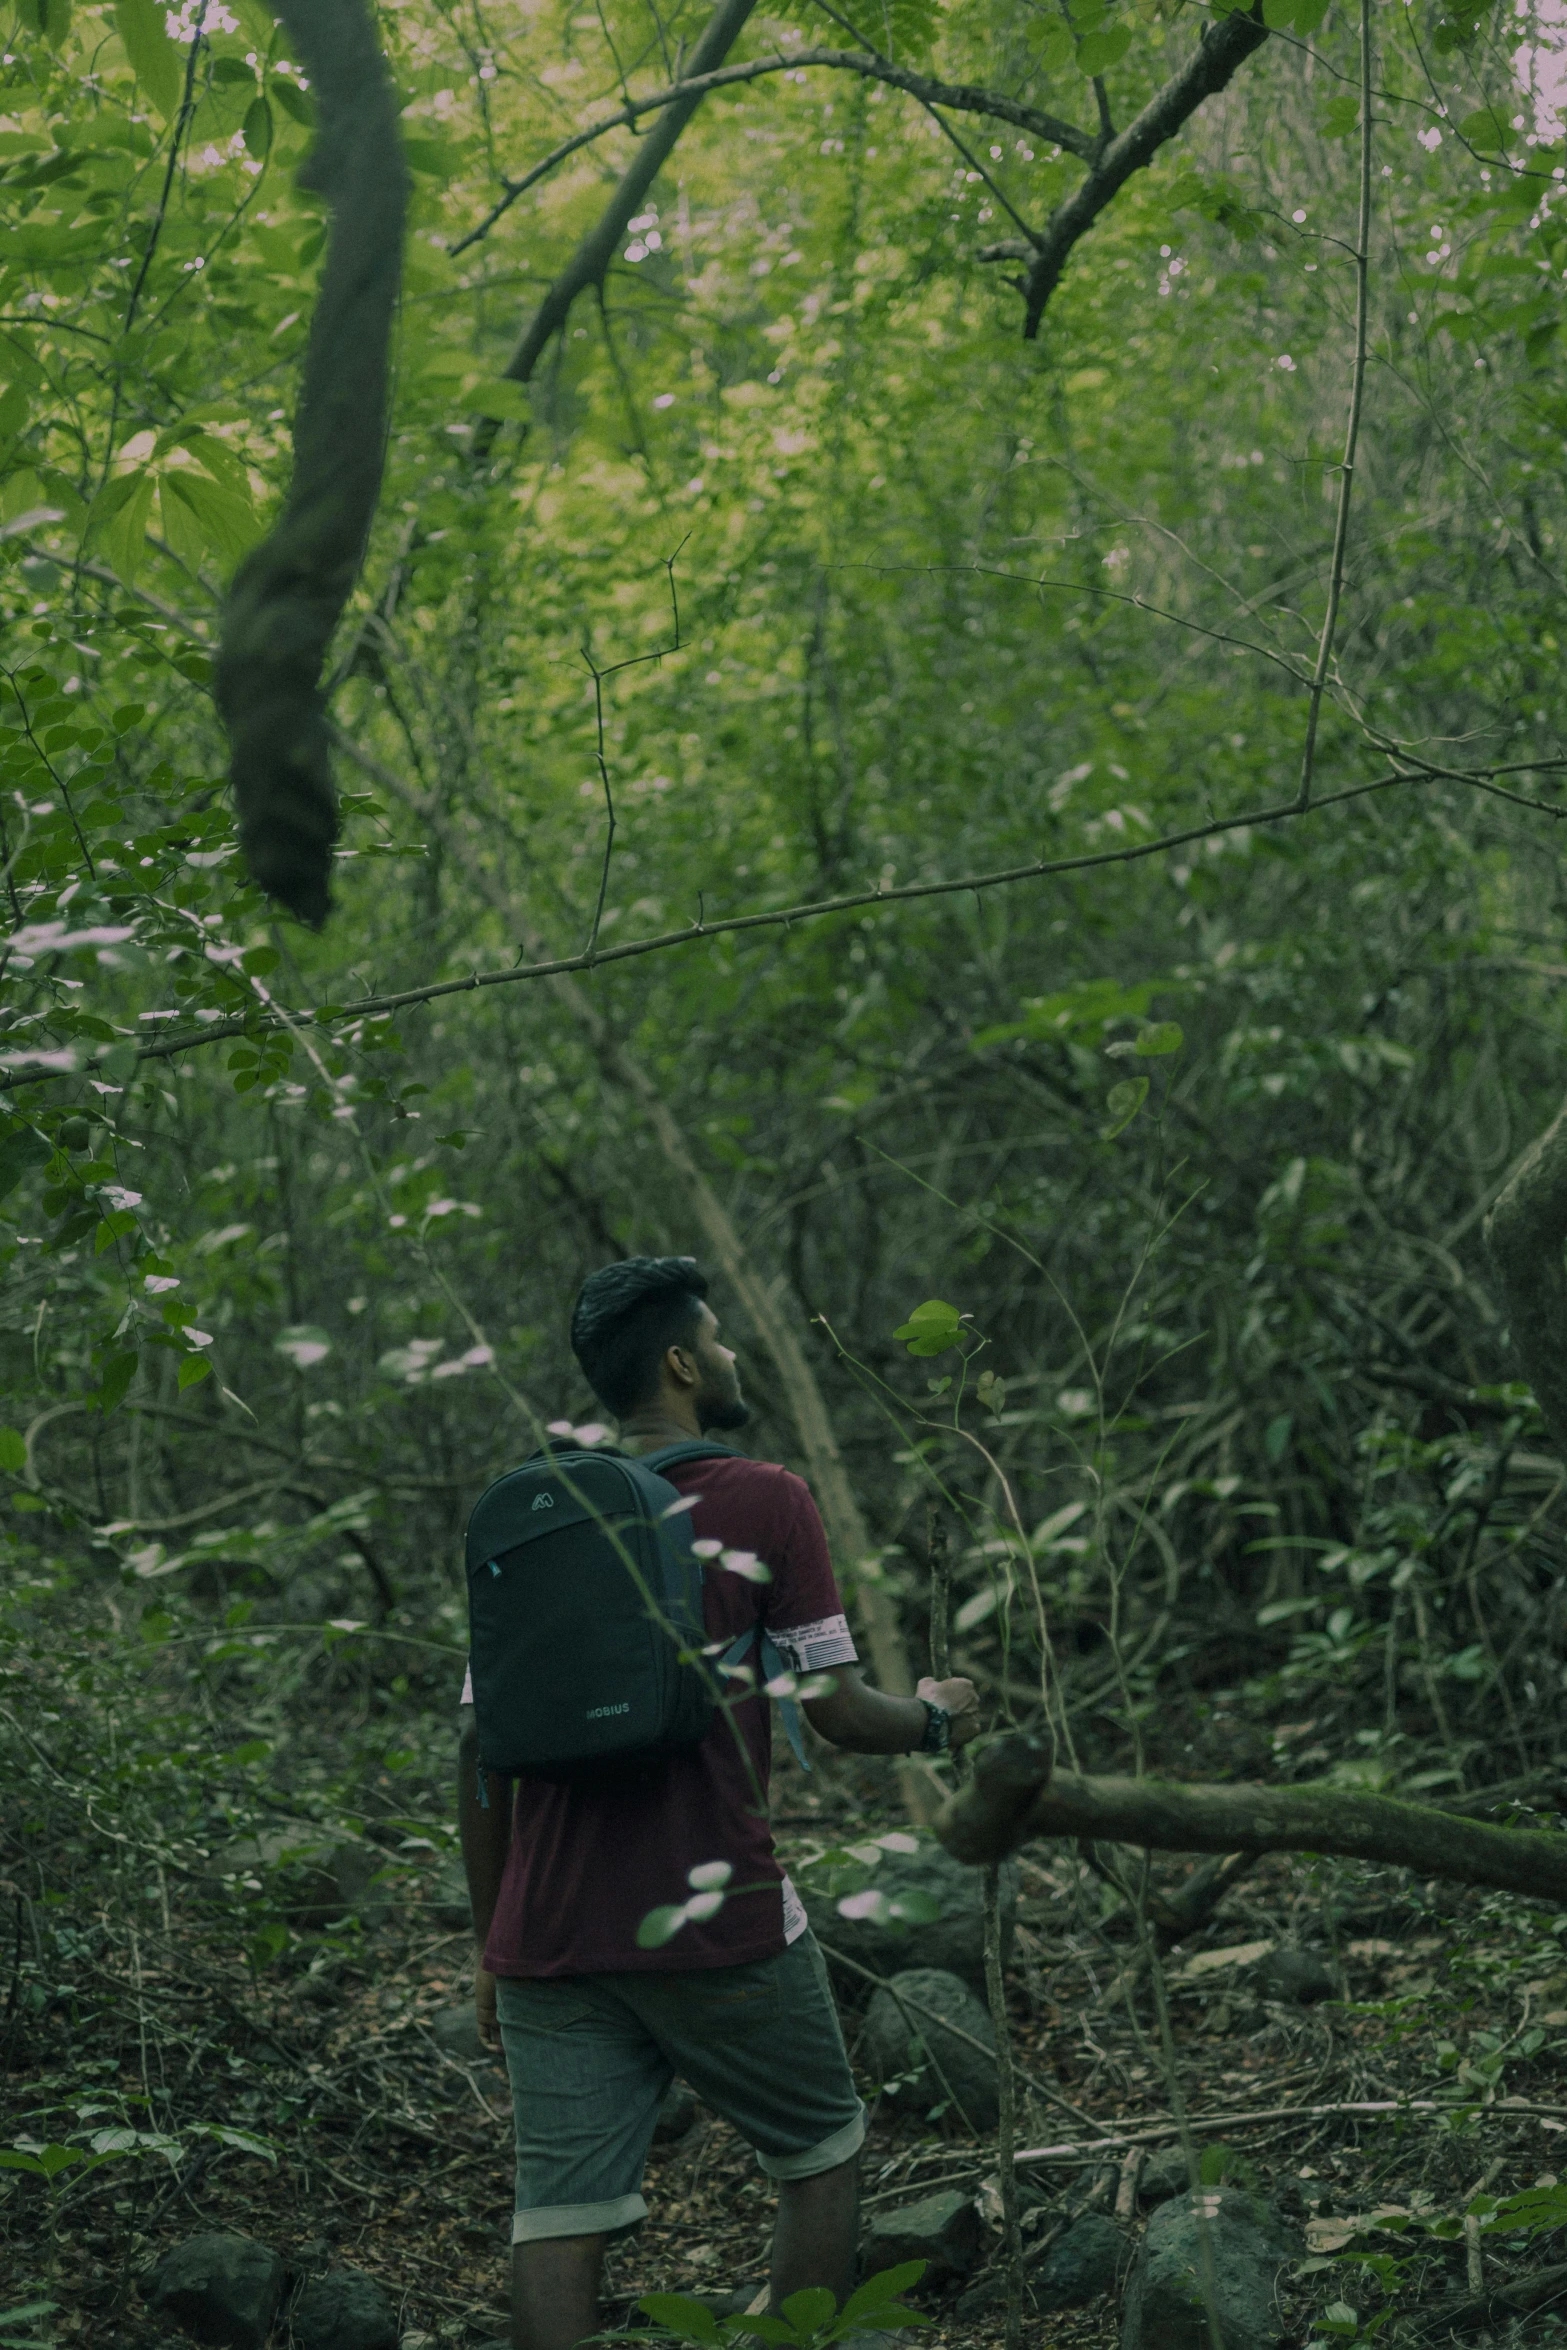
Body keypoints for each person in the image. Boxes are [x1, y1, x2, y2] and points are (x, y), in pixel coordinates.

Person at [457, 1255, 980, 2350]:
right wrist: (932, 1714)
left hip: (545, 1930)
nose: (736, 1353)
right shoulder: (763, 1497)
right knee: (821, 2148)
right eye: (722, 1336)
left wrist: (489, 1939)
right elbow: (835, 1710)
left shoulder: (534, 1512)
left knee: (558, 2213)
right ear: (684, 1362)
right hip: (713, 1908)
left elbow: (478, 1756)